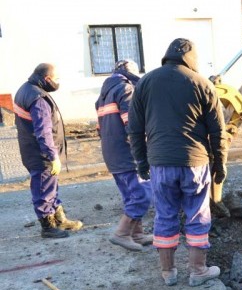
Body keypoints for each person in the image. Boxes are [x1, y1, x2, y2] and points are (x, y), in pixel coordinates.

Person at [127, 38, 228, 287]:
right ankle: (198, 271)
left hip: (160, 164)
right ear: (191, 58)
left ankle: (168, 273)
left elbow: (135, 129)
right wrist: (220, 164)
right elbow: (218, 131)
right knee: (197, 215)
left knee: (165, 215)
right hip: (195, 163)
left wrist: (142, 162)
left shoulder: (146, 83)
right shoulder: (202, 83)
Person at [14, 63, 83, 238]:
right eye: (57, 79)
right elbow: (43, 131)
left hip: (31, 150)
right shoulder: (38, 98)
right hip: (41, 154)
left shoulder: (25, 89)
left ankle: (60, 219)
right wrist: (53, 157)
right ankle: (48, 226)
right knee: (43, 189)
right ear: (47, 79)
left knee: (49, 186)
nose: (58, 82)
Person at [96, 59, 153, 251]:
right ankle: (121, 233)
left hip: (112, 153)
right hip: (128, 154)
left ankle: (137, 234)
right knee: (143, 194)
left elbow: (100, 128)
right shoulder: (126, 89)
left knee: (130, 195)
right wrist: (143, 150)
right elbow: (133, 125)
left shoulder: (104, 94)